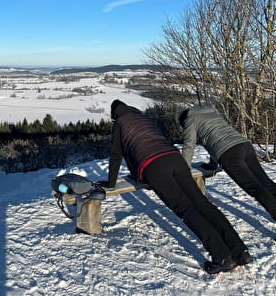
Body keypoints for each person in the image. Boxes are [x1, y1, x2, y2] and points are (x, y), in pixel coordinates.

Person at [98, 99, 252, 274]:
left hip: (154, 167)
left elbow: (117, 154)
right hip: (174, 158)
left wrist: (113, 183)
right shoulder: (145, 118)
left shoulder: (120, 123)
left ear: (114, 114)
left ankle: (222, 257)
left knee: (186, 209)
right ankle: (240, 252)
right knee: (203, 204)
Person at [179, 104, 276, 222]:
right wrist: (212, 165)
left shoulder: (190, 120)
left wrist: (183, 169)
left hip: (229, 154)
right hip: (244, 145)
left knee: (254, 188)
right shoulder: (212, 114)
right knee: (266, 182)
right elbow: (214, 141)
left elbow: (189, 144)